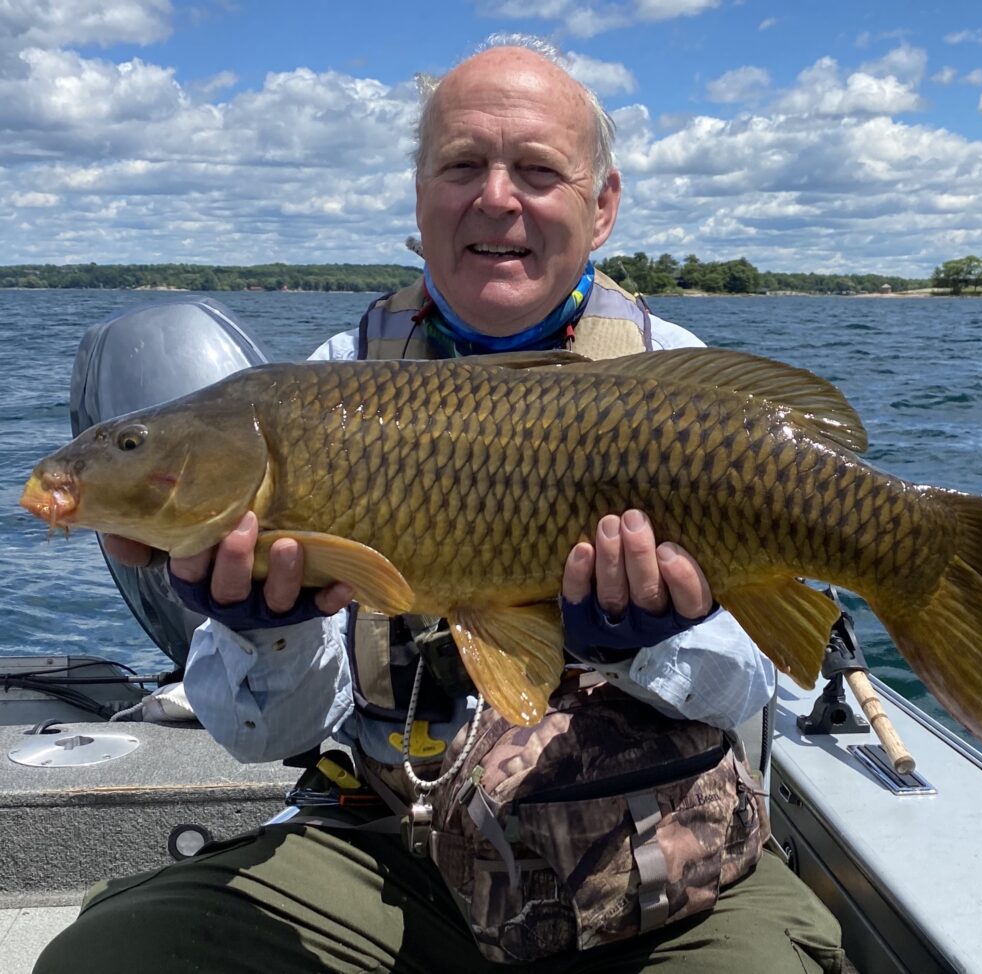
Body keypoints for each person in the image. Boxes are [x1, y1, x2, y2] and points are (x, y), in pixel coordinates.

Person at [36, 35, 844, 974]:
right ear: (420, 202)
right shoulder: (326, 385)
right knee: (113, 958)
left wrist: (651, 639)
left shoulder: (683, 389)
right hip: (391, 847)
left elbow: (767, 688)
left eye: (538, 170)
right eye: (462, 166)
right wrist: (268, 630)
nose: (496, 197)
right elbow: (269, 735)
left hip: (658, 862)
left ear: (603, 206)